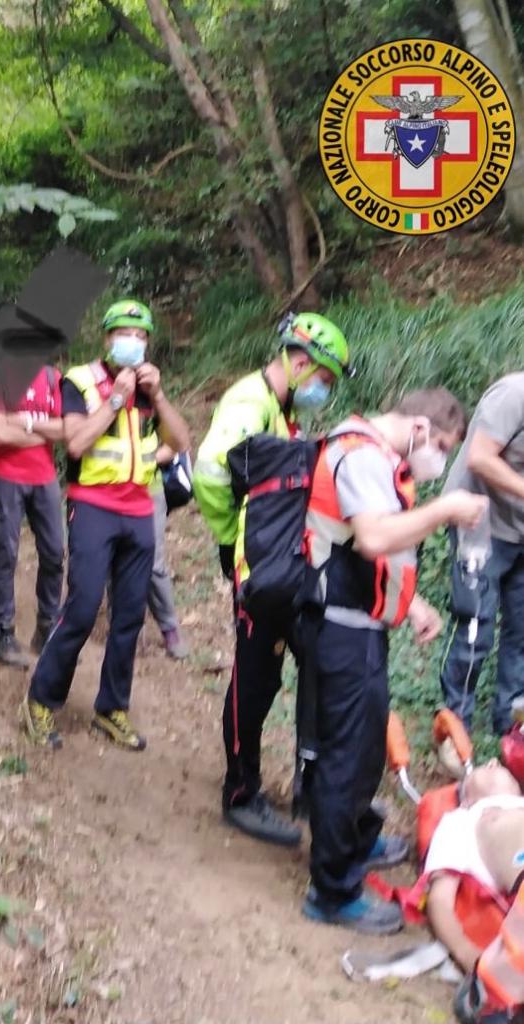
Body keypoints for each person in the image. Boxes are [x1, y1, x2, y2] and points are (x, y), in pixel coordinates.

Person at [301, 388, 487, 935]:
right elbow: (373, 537)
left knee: (361, 751)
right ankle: (332, 891)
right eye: (443, 447)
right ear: (421, 430)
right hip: (342, 630)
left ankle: (355, 838)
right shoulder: (361, 454)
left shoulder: (377, 456)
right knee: (348, 757)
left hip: (358, 624)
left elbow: (374, 554)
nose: (439, 461)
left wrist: (412, 603)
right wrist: (445, 510)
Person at [193, 311, 351, 846]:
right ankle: (240, 793)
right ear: (300, 362)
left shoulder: (280, 411)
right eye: (324, 379)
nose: (323, 389)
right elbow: (212, 471)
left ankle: (313, 785)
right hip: (259, 567)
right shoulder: (249, 403)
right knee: (255, 677)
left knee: (308, 664)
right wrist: (230, 537)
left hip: (284, 565)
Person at [19, 300, 190, 751]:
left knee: (130, 616)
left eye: (140, 335)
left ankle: (111, 708)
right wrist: (116, 396)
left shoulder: (149, 391)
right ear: (107, 339)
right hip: (93, 508)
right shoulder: (80, 381)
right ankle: (41, 698)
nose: (132, 342)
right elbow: (75, 442)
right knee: (82, 607)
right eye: (124, 333)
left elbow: (181, 441)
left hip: (139, 511)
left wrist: (160, 396)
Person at [440, 374, 524, 736]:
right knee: (474, 627)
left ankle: (512, 730)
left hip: (520, 530)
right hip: (478, 521)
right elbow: (479, 457)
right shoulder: (514, 395)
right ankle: (454, 728)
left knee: (522, 634)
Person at [0, 362, 65, 668]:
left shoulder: (53, 377)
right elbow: (0, 433)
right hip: (6, 476)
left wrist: (23, 422)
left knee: (55, 553)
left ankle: (48, 627)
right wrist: (43, 430)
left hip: (44, 477)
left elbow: (66, 429)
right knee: (5, 556)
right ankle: (2, 634)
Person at [425, 762, 524, 974]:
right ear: (466, 799)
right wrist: (468, 955)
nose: (493, 762)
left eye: (497, 764)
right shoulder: (460, 820)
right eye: (482, 767)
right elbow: (440, 900)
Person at [106, 444, 190, 659]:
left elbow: (173, 446)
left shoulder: (153, 409)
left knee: (153, 562)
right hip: (109, 489)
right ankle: (121, 628)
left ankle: (169, 628)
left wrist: (138, 462)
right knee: (115, 557)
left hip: (148, 490)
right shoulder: (102, 408)